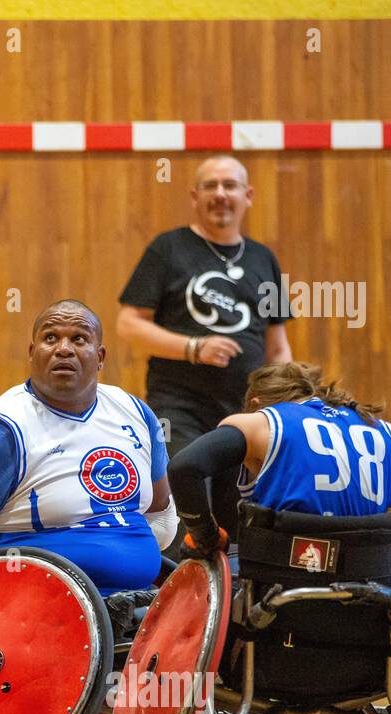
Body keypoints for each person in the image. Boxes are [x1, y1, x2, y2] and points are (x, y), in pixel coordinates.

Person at [0, 300, 179, 595]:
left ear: (100, 356)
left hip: (136, 609)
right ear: (32, 353)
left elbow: (162, 521)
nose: (64, 348)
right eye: (50, 338)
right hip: (35, 613)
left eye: (79, 339)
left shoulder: (136, 412)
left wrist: (122, 555)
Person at [117, 155, 293, 544]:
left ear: (247, 196)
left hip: (247, 413)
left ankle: (237, 602)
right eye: (210, 186)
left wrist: (291, 408)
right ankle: (185, 597)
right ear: (195, 196)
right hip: (180, 409)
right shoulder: (169, 249)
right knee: (186, 504)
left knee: (243, 513)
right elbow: (128, 323)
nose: (220, 194)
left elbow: (278, 348)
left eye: (229, 186)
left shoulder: (264, 259)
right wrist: (194, 347)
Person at [168, 361, 391, 562]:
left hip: (287, 573)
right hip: (377, 573)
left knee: (210, 555)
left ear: (256, 403)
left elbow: (184, 468)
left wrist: (207, 537)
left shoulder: (259, 423)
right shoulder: (383, 429)